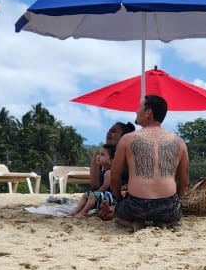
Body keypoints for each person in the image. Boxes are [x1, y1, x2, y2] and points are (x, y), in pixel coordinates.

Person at [103, 94, 189, 230]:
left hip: (136, 206)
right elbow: (184, 181)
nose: (136, 111)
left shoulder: (127, 139)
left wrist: (119, 199)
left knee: (118, 214)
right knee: (174, 216)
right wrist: (175, 202)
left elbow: (114, 177)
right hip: (168, 207)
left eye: (139, 107)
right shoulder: (179, 142)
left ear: (148, 112)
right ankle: (164, 223)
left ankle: (133, 223)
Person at [71, 144, 116, 217]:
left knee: (92, 196)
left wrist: (97, 192)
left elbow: (106, 185)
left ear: (110, 161)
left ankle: (83, 213)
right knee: (85, 195)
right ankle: (76, 211)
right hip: (102, 195)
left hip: (109, 196)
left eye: (102, 155)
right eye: (99, 154)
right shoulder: (101, 172)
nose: (98, 156)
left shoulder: (108, 172)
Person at [89, 120, 135, 190]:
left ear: (124, 136)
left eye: (113, 131)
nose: (108, 133)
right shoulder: (99, 154)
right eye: (109, 131)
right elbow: (94, 184)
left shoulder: (131, 155)